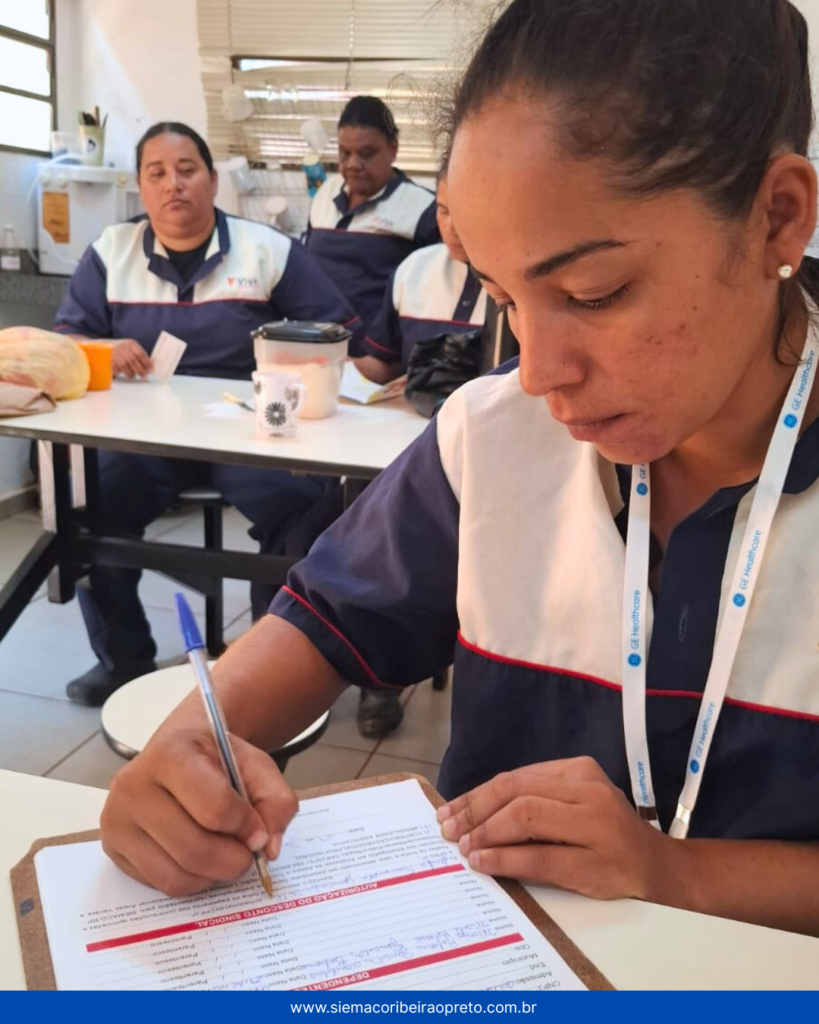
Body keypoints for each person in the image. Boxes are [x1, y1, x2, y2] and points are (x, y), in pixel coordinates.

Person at [99, 0, 819, 938]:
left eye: (593, 293)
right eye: (503, 296)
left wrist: (673, 874)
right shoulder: (491, 437)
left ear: (776, 219)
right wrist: (187, 755)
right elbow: (319, 628)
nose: (539, 372)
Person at [54, 121, 360, 707]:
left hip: (249, 431)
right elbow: (68, 340)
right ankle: (123, 662)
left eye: (187, 169)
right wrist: (101, 347)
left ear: (213, 180)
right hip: (143, 437)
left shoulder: (266, 249)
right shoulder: (111, 252)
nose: (174, 184)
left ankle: (269, 671)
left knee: (301, 507)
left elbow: (334, 332)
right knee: (94, 507)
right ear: (141, 187)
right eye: (157, 173)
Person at [305, 95, 441, 352]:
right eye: (345, 153)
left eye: (367, 154)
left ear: (393, 148)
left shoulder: (423, 209)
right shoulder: (325, 194)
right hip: (315, 345)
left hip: (376, 355)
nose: (353, 165)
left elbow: (433, 291)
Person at [355, 171, 487, 384]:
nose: (451, 228)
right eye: (443, 210)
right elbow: (388, 364)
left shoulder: (525, 288)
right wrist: (337, 364)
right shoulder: (414, 269)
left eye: (467, 213)